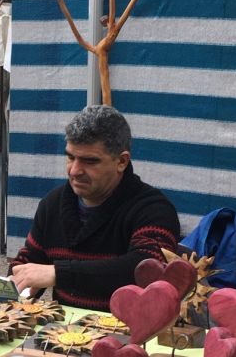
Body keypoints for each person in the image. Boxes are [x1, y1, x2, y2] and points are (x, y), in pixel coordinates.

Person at [9, 106, 180, 312]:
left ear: (121, 161)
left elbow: (148, 269)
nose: (75, 170)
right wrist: (16, 280)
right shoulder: (52, 204)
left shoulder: (154, 210)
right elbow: (28, 262)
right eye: (71, 157)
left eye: (89, 161)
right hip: (62, 336)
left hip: (132, 336)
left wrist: (58, 273)